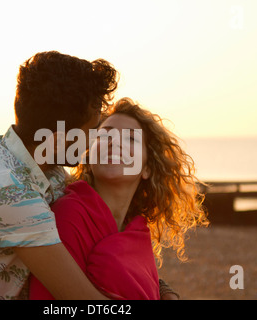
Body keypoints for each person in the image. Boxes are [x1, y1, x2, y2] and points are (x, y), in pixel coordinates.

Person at [0, 51, 118, 299]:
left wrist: (159, 286)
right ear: (57, 139)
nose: (95, 139)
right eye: (91, 130)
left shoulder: (42, 169)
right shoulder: (10, 191)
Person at [29, 98, 209, 300]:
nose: (115, 143)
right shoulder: (69, 215)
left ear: (147, 168)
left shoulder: (136, 228)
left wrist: (168, 294)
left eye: (131, 139)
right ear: (89, 157)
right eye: (105, 136)